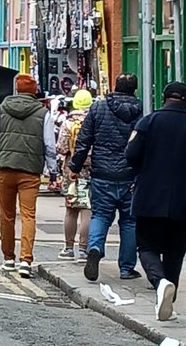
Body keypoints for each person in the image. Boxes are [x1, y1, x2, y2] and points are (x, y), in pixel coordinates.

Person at [126, 81, 186, 321]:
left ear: (163, 98)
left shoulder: (149, 122)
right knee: (175, 254)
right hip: (185, 201)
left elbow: (131, 155)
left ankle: (160, 283)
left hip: (149, 198)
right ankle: (167, 300)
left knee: (147, 247)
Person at [69, 73, 142, 282]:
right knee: (129, 222)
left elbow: (84, 140)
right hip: (130, 175)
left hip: (102, 172)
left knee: (100, 215)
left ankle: (94, 248)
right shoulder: (141, 110)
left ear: (114, 86)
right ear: (134, 90)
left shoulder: (99, 107)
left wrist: (74, 166)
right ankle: (127, 268)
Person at [0, 73, 55, 278]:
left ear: (16, 89)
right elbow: (49, 145)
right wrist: (53, 171)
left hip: (4, 168)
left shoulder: (2, 108)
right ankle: (26, 260)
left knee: (6, 216)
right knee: (29, 216)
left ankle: (8, 259)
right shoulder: (43, 113)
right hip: (30, 171)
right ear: (34, 91)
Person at [57, 89, 93, 260]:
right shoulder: (93, 121)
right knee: (88, 209)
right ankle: (84, 249)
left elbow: (61, 148)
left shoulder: (67, 123)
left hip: (71, 171)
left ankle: (68, 248)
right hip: (90, 170)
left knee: (71, 210)